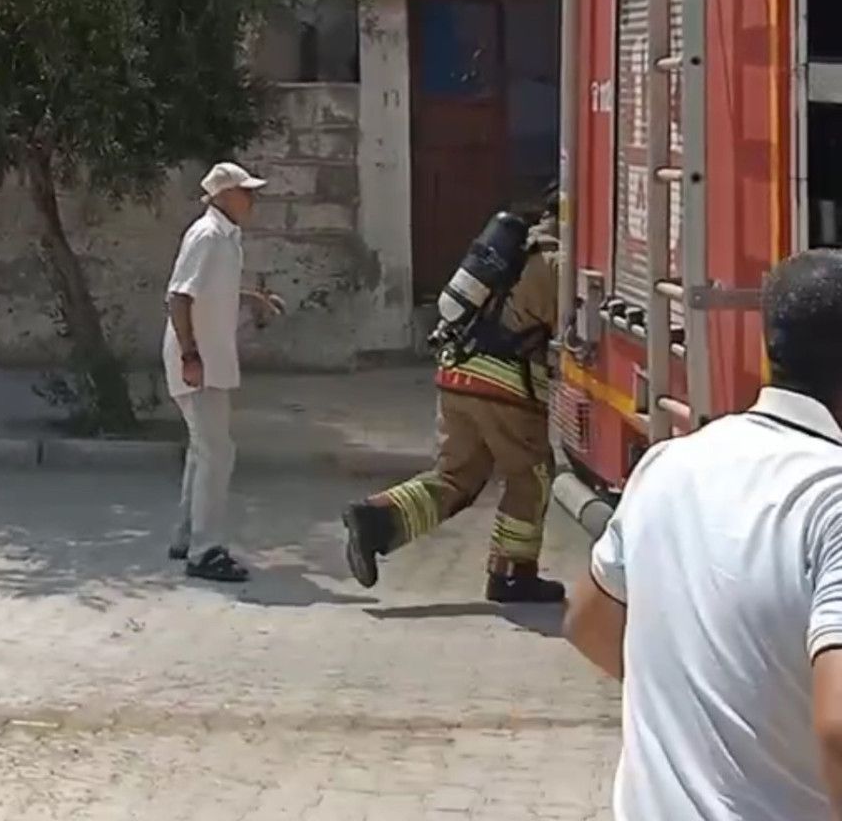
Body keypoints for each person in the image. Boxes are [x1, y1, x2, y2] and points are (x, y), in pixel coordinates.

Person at [565, 249, 842, 820]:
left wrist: (717, 703)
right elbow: (838, 726)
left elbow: (588, 622)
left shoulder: (668, 465)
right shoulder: (831, 496)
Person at [343, 189, 564, 605]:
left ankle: (376, 519)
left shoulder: (510, 251)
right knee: (531, 474)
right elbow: (573, 328)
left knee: (456, 477)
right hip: (504, 383)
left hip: (457, 371)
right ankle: (512, 575)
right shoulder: (555, 264)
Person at [163, 160, 283, 585]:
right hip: (199, 363)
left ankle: (186, 538)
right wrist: (189, 355)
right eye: (246, 191)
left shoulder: (226, 238)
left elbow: (212, 289)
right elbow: (178, 297)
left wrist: (254, 300)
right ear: (223, 195)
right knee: (218, 453)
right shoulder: (208, 236)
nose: (252, 199)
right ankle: (205, 550)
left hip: (209, 361)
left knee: (204, 450)